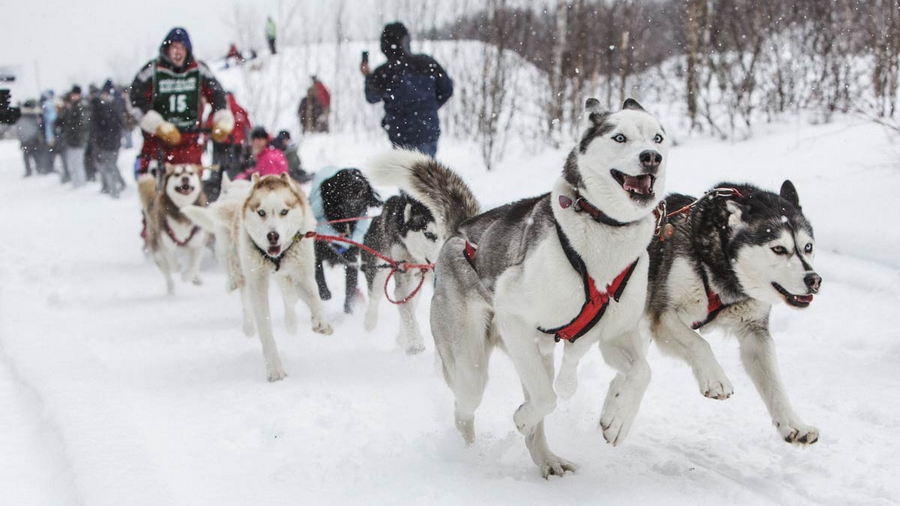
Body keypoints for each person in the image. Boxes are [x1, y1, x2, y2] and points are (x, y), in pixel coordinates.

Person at [130, 27, 233, 176]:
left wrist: (222, 121)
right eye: (174, 47)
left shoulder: (199, 69)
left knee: (190, 189)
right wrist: (158, 126)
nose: (178, 52)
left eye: (182, 48)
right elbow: (135, 100)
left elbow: (218, 95)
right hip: (158, 143)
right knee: (154, 190)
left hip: (190, 141)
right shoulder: (152, 70)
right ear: (167, 49)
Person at [361, 22, 453, 158]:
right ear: (406, 40)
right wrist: (428, 108)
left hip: (402, 136)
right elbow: (447, 90)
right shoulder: (427, 63)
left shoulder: (385, 71)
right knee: (426, 176)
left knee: (407, 176)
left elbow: (371, 96)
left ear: (384, 45)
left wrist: (368, 76)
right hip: (427, 132)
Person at [204, 91, 251, 200]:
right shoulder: (240, 110)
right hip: (236, 146)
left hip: (219, 144)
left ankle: (214, 196)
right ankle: (233, 194)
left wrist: (207, 141)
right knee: (233, 173)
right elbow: (248, 128)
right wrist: (247, 147)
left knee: (216, 171)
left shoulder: (218, 110)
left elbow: (208, 126)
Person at [90, 80, 125, 198]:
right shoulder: (110, 106)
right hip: (108, 141)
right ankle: (116, 185)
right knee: (110, 165)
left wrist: (102, 138)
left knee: (109, 165)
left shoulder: (108, 107)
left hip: (108, 141)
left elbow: (113, 126)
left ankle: (114, 189)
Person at [57, 86, 90, 187]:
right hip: (72, 140)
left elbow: (83, 124)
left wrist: (76, 133)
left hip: (78, 140)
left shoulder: (81, 106)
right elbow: (64, 122)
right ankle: (76, 184)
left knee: (77, 164)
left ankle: (80, 184)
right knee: (72, 164)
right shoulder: (72, 107)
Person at [15, 99, 41, 177]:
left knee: (29, 156)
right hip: (30, 139)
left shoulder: (24, 115)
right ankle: (36, 169)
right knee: (33, 155)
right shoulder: (33, 115)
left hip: (28, 139)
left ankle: (32, 170)